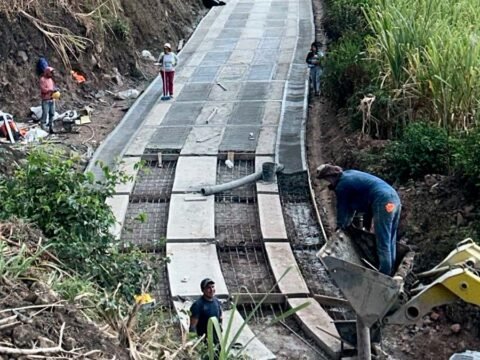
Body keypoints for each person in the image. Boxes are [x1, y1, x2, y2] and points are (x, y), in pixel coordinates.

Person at [316, 164, 402, 276]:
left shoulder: (342, 185)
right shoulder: (349, 174)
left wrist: (340, 227)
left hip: (384, 203)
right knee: (390, 238)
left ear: (329, 177)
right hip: (394, 200)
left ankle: (384, 276)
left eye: (325, 181)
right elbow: (354, 206)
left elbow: (343, 209)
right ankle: (391, 271)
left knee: (383, 241)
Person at [39, 67, 57, 133]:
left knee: (52, 113)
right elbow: (43, 89)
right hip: (45, 100)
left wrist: (55, 90)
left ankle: (51, 126)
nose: (51, 74)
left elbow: (53, 87)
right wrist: (49, 90)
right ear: (47, 72)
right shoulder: (42, 79)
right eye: (51, 73)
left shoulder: (51, 80)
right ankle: (43, 126)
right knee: (45, 113)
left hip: (52, 99)